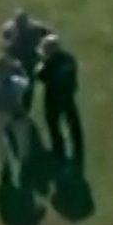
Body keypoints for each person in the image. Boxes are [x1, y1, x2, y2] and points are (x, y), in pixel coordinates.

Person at [0, 55, 33, 190]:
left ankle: (23, 163)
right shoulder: (12, 82)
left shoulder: (13, 82)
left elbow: (26, 86)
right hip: (1, 113)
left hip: (15, 114)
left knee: (21, 140)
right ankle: (6, 165)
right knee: (0, 141)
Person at [39, 33, 83, 166]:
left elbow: (41, 77)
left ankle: (59, 151)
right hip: (68, 95)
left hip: (53, 98)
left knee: (53, 124)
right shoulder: (68, 59)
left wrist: (42, 63)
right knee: (72, 121)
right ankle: (78, 145)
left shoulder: (49, 62)